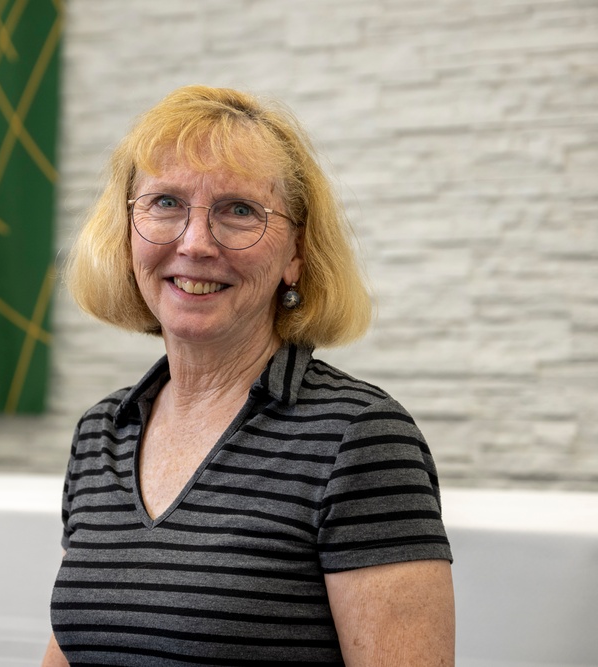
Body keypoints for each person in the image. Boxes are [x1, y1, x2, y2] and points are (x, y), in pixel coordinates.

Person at [41, 85, 454, 666]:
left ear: (296, 254)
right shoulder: (102, 432)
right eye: (164, 203)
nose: (195, 243)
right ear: (125, 232)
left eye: (239, 210)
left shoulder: (360, 439)